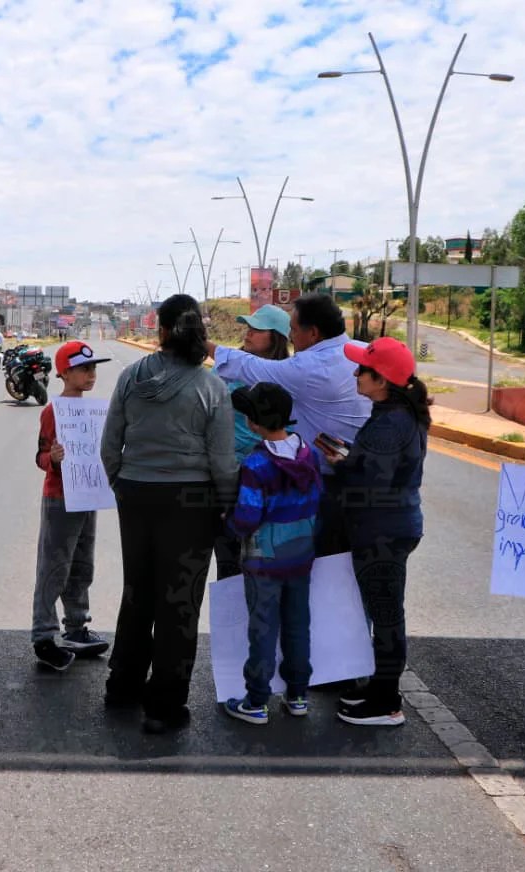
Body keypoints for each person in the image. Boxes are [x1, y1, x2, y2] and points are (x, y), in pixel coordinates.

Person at [101, 294, 238, 734]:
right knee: (179, 601)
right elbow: (222, 461)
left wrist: (122, 483)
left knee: (138, 591)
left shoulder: (129, 378)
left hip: (136, 495)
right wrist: (228, 505)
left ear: (159, 330)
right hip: (191, 501)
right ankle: (164, 706)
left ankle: (121, 686)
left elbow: (110, 444)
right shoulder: (210, 387)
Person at [317, 337, 430, 727]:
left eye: (362, 369)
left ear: (381, 380)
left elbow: (371, 485)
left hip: (381, 529)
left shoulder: (391, 422)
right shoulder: (396, 414)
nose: (355, 373)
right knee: (383, 611)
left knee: (384, 615)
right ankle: (379, 687)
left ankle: (386, 701)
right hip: (389, 526)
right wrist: (352, 457)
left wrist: (342, 466)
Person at [206, 294, 370, 557]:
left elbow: (249, 367)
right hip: (365, 485)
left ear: (313, 332)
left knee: (317, 572)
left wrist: (205, 345)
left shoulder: (306, 367)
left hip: (326, 488)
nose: (292, 336)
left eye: (294, 329)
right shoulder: (364, 352)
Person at [222, 383, 322, 725]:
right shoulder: (309, 454)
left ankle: (257, 701)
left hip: (264, 561)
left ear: (253, 421)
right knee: (297, 626)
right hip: (301, 556)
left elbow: (248, 516)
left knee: (263, 629)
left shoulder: (256, 463)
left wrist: (229, 526)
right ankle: (298, 695)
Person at [31, 340, 113, 671]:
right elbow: (39, 456)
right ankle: (44, 636)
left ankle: (77, 627)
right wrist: (51, 458)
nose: (91, 375)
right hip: (60, 498)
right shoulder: (53, 411)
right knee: (54, 567)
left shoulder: (94, 411)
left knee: (82, 566)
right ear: (64, 373)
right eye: (84, 369)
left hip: (87, 496)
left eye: (93, 368)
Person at [213, 305, 292, 579]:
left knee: (265, 562)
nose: (249, 333)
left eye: (258, 329)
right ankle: (233, 622)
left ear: (277, 337)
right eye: (248, 327)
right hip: (229, 476)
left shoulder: (289, 374)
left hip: (268, 479)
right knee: (228, 561)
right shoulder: (228, 367)